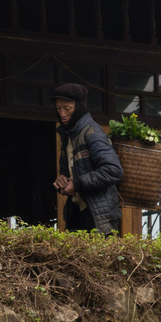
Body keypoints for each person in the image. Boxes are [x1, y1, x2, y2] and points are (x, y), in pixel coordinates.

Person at [52, 83, 123, 235]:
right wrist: (63, 182)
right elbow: (67, 173)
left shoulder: (93, 133)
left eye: (67, 108)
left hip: (99, 216)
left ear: (78, 107)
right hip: (77, 212)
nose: (62, 114)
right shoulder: (68, 136)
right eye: (59, 109)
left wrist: (76, 185)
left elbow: (113, 171)